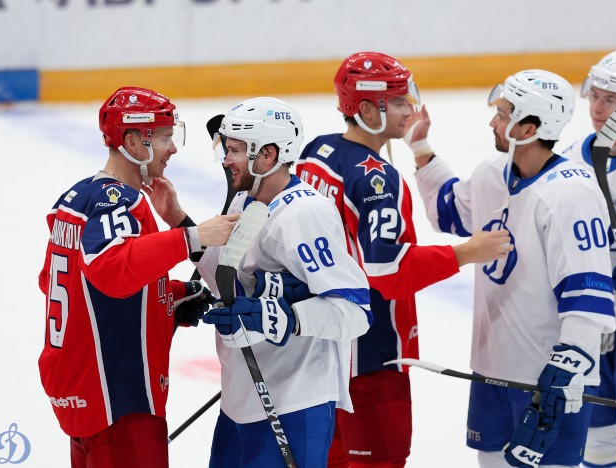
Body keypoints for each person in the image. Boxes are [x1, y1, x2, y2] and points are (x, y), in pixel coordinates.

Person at [295, 51, 513, 468]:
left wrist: (418, 146)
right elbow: (387, 271)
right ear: (365, 110)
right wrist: (467, 252)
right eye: (397, 102)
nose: (409, 109)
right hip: (371, 353)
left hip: (317, 349)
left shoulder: (316, 151)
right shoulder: (377, 179)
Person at [412, 69, 616, 467]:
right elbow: (450, 212)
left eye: (503, 114)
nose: (493, 121)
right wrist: (420, 145)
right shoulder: (493, 171)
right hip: (491, 368)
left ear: (529, 128)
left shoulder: (570, 194)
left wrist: (564, 372)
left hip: (547, 379)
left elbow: (588, 294)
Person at [37, 86, 238, 468]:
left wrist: (170, 297)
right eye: (163, 137)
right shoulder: (120, 202)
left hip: (82, 394)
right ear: (132, 142)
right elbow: (111, 270)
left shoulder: (76, 199)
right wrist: (192, 236)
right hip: (120, 398)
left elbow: (66, 285)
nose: (173, 148)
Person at [196, 96, 372, 468]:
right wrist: (180, 223)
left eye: (235, 150)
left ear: (268, 155)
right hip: (242, 397)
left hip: (292, 403)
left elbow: (355, 310)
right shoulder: (245, 200)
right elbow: (229, 281)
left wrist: (283, 318)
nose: (226, 160)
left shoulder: (304, 214)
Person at [560, 50, 616, 468]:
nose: (598, 108)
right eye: (595, 95)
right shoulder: (570, 158)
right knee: (599, 440)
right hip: (593, 322)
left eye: (612, 99)